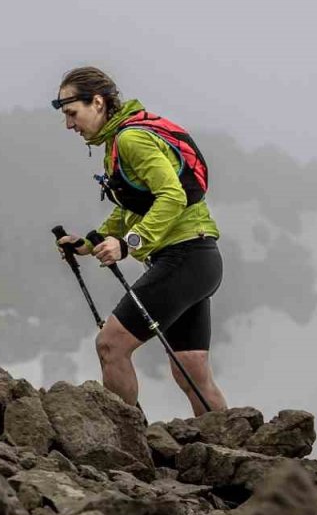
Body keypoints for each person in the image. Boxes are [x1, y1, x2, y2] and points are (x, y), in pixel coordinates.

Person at [54, 66, 228, 416]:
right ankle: (233, 449)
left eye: (72, 113)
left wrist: (129, 244)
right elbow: (132, 207)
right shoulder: (118, 141)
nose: (69, 125)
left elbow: (172, 196)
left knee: (111, 345)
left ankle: (122, 445)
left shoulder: (130, 140)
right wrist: (90, 242)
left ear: (98, 102)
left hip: (184, 256)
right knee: (190, 369)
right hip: (199, 259)